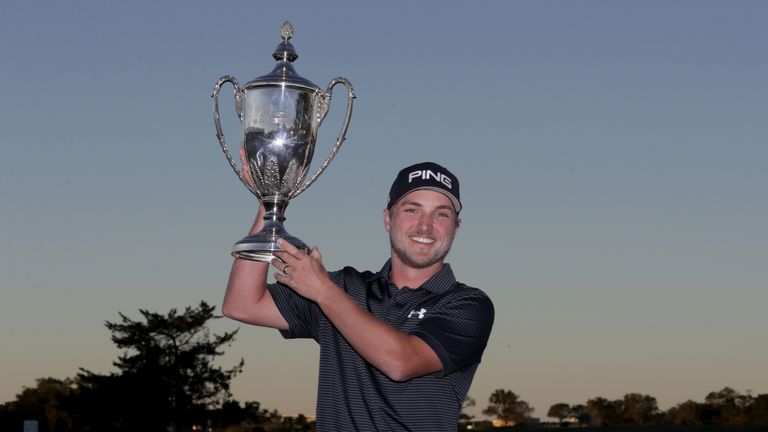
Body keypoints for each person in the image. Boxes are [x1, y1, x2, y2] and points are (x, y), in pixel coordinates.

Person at [223, 161, 494, 431]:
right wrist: (270, 203)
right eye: (412, 210)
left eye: (441, 214)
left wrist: (323, 291)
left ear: (456, 227)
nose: (425, 226)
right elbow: (243, 304)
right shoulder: (345, 287)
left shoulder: (468, 304)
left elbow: (401, 362)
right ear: (388, 219)